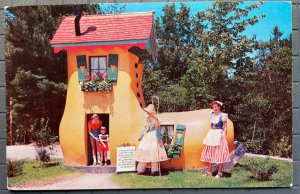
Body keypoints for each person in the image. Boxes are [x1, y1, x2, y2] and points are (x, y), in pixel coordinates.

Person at [134, 104, 169, 175]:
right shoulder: (147, 118)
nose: (147, 113)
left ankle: (154, 170)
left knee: (154, 153)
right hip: (148, 136)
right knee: (144, 152)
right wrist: (142, 135)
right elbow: (146, 127)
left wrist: (156, 119)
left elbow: (158, 128)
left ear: (151, 112)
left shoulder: (157, 118)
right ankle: (140, 170)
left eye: (148, 111)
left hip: (154, 135)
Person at [200, 100, 230, 178]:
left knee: (220, 153)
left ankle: (220, 172)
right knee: (210, 152)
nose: (214, 108)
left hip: (219, 134)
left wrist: (223, 135)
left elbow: (225, 126)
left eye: (216, 106)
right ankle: (209, 171)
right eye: (213, 107)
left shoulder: (223, 115)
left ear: (219, 107)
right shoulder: (212, 114)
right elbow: (211, 125)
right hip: (212, 134)